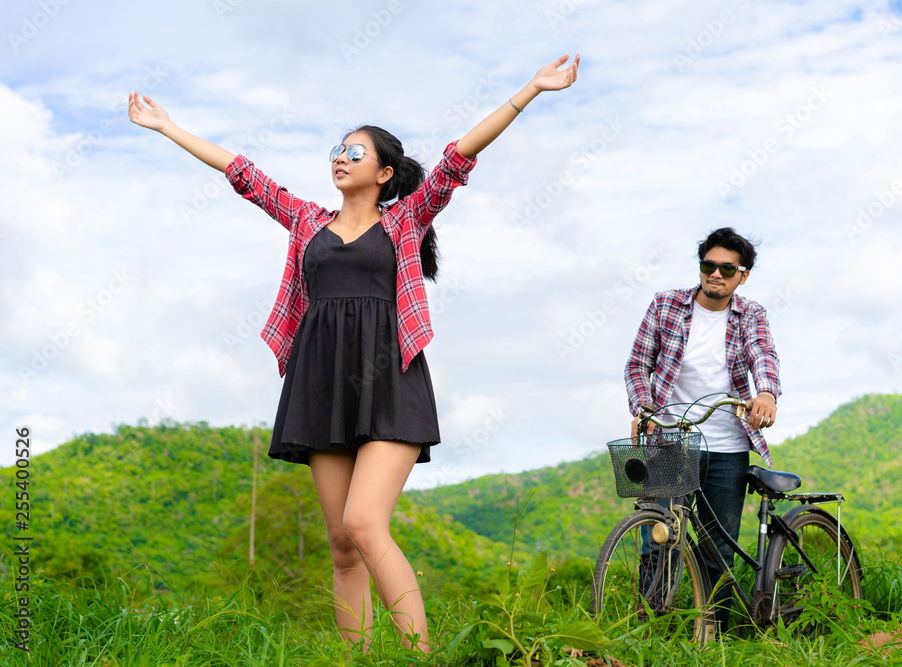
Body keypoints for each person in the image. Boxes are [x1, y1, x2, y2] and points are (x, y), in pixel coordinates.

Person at [127, 54, 580, 653]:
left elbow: (459, 157)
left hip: (390, 378)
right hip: (321, 384)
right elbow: (244, 174)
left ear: (386, 172)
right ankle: (355, 658)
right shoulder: (305, 222)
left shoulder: (406, 220)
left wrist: (531, 90)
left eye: (355, 151)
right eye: (337, 150)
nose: (341, 157)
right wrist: (167, 127)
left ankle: (423, 657)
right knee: (342, 541)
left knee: (366, 523)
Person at [623, 227, 780, 633]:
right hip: (669, 440)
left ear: (742, 276)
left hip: (728, 445)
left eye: (727, 269)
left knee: (718, 549)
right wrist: (642, 406)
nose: (716, 274)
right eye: (708, 265)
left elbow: (763, 354)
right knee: (659, 541)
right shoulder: (665, 305)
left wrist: (766, 394)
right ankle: (652, 631)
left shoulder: (752, 315)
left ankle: (712, 636)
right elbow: (637, 364)